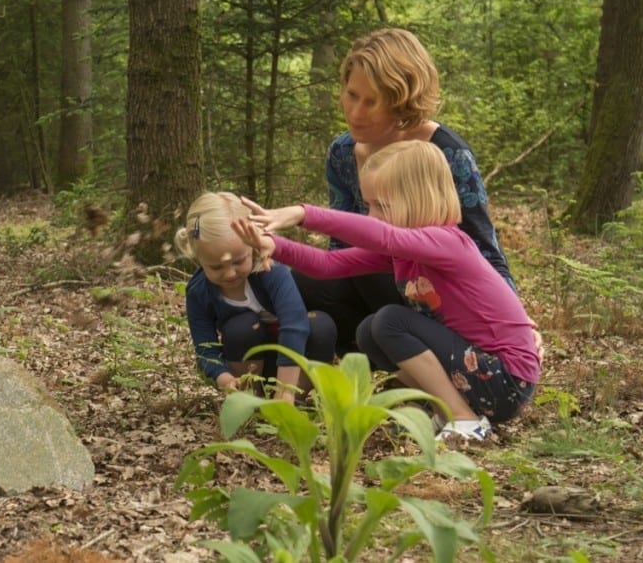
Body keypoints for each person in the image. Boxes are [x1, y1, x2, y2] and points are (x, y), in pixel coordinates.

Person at [232, 141, 540, 441]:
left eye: (382, 205)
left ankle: (465, 420)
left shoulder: (448, 242)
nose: (371, 216)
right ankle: (445, 413)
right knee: (369, 331)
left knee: (391, 320)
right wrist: (274, 245)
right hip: (478, 374)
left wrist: (303, 214)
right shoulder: (403, 253)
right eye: (369, 205)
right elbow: (328, 265)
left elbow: (384, 236)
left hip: (506, 378)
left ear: (418, 198)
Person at [295, 27, 516, 354]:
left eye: (372, 102)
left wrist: (516, 324)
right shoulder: (342, 153)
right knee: (297, 279)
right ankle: (359, 360)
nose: (355, 112)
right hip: (370, 292)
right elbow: (340, 247)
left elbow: (484, 251)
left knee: (374, 259)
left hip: (437, 301)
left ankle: (421, 360)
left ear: (402, 102)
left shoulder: (449, 154)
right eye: (352, 95)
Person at [174, 192, 337, 403]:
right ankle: (252, 399)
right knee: (241, 327)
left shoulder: (270, 268)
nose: (230, 273)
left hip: (293, 360)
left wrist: (285, 388)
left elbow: (294, 323)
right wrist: (223, 378)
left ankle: (296, 398)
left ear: (253, 244)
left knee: (321, 324)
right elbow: (205, 349)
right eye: (216, 267)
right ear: (199, 258)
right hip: (250, 365)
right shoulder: (199, 292)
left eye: (239, 261)